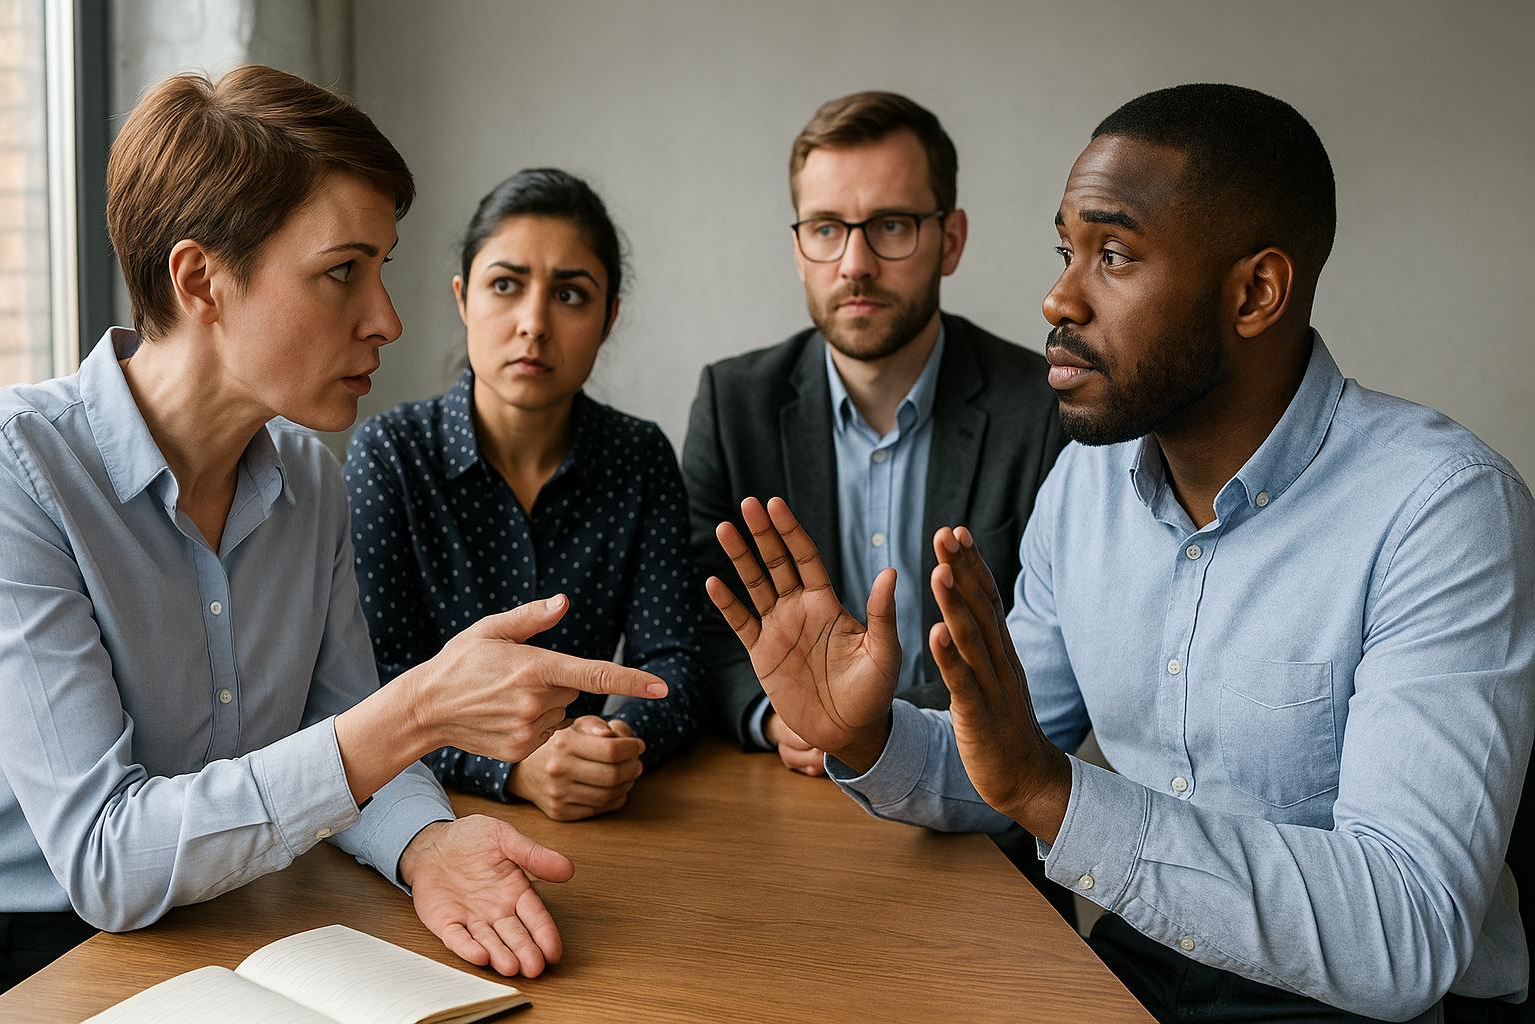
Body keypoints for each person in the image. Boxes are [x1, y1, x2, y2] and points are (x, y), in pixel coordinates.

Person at [707, 84, 1533, 1022]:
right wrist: (866, 735)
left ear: (1256, 291)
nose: (1058, 297)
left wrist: (1054, 794)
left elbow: (1407, 931)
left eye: (1113, 255)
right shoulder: (1085, 486)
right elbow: (1003, 765)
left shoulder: (1443, 509)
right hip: (1143, 968)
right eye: (1066, 251)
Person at [0, 66, 666, 993]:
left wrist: (427, 844)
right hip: (46, 953)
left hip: (248, 920)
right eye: (342, 272)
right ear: (201, 280)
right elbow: (108, 860)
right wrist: (419, 707)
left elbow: (336, 728)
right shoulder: (19, 474)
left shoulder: (308, 478)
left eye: (383, 269)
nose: (387, 319)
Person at [683, 90, 1066, 775]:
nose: (854, 263)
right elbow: (699, 617)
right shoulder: (731, 401)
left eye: (890, 226)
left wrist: (866, 730)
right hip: (787, 797)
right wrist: (777, 714)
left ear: (950, 241)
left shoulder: (1041, 410)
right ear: (799, 248)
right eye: (826, 228)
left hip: (983, 812)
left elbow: (1052, 657)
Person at [345, 169, 704, 822]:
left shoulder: (638, 456)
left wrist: (616, 744)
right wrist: (511, 768)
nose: (533, 324)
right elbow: (370, 689)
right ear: (463, 297)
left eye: (571, 295)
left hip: (608, 814)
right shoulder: (390, 455)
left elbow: (672, 659)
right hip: (422, 817)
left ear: (608, 318)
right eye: (505, 286)